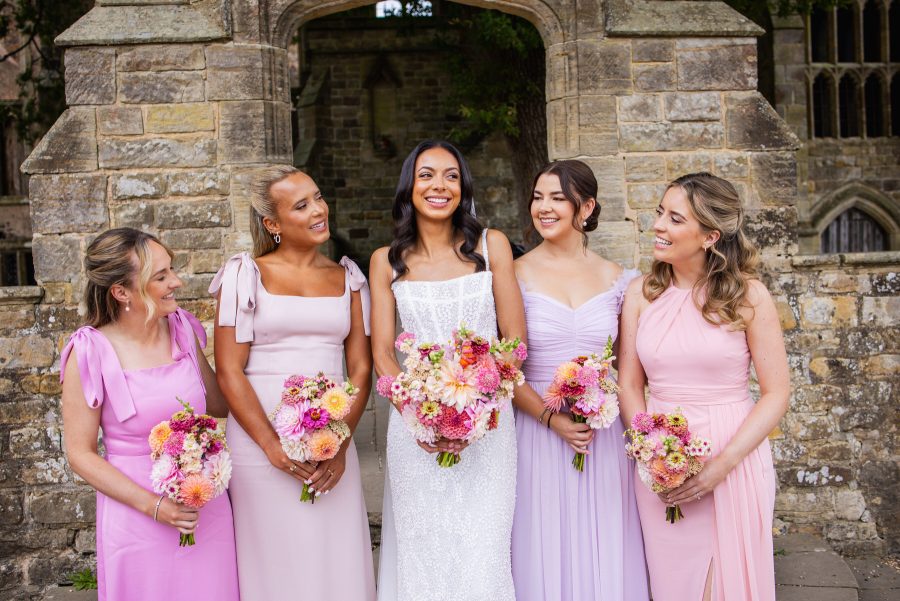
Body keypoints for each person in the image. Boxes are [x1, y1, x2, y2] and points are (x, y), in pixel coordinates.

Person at [618, 173, 789, 601]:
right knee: (673, 583)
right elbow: (629, 383)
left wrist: (721, 465)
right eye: (660, 213)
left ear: (710, 235)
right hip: (658, 461)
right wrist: (648, 448)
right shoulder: (641, 293)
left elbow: (776, 394)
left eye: (675, 219)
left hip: (733, 455)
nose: (659, 225)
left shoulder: (748, 296)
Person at [371, 140, 526, 601]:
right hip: (414, 430)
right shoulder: (386, 260)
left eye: (451, 175)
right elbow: (382, 352)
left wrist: (477, 410)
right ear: (409, 187)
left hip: (489, 425)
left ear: (464, 187)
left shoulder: (491, 245)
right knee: (425, 552)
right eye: (426, 175)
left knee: (484, 552)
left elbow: (515, 343)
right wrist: (419, 413)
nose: (439, 185)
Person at [210, 166, 375, 601]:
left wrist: (339, 445)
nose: (320, 210)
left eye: (318, 197)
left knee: (334, 556)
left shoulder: (349, 279)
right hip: (258, 444)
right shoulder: (244, 276)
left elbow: (360, 369)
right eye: (301, 205)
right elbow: (229, 370)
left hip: (332, 442)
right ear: (273, 224)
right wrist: (271, 446)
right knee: (274, 561)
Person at [60, 228, 238, 601]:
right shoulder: (89, 351)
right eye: (160, 276)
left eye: (170, 270)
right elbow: (80, 453)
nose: (176, 281)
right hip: (137, 515)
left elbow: (219, 402)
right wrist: (156, 507)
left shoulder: (180, 329)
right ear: (121, 292)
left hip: (203, 505)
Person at [511, 160, 649, 600]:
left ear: (585, 207)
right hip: (536, 430)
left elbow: (630, 373)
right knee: (541, 539)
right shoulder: (512, 274)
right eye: (537, 197)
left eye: (557, 198)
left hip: (603, 436)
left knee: (604, 539)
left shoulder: (619, 279)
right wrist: (551, 419)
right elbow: (504, 368)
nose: (544, 208)